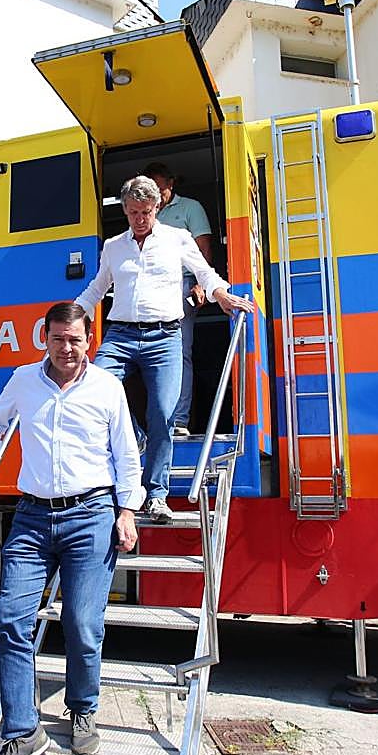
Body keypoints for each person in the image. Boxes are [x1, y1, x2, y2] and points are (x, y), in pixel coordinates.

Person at [0, 301, 144, 755]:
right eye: (59, 338)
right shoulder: (24, 379)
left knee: (82, 624)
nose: (68, 348)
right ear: (45, 337)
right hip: (33, 517)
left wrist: (126, 511)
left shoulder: (107, 387)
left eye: (76, 339)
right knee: (8, 619)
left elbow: (126, 454)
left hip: (91, 516)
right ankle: (22, 730)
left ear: (90, 341)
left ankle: (83, 708)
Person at [75, 176, 252, 523]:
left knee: (164, 414)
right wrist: (71, 317)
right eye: (133, 212)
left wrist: (220, 294)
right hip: (122, 334)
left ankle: (155, 494)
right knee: (93, 388)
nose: (140, 219)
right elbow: (97, 287)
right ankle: (135, 436)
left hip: (165, 336)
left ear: (158, 207)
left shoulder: (177, 238)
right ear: (124, 210)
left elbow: (204, 271)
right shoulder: (113, 246)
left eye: (146, 211)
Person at [144, 162, 214, 437]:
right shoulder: (145, 213)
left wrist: (200, 283)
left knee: (179, 352)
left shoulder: (190, 208)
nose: (154, 194)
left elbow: (204, 247)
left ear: (170, 185)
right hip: (150, 287)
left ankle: (179, 420)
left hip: (181, 283)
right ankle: (156, 421)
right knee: (148, 355)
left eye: (158, 188)